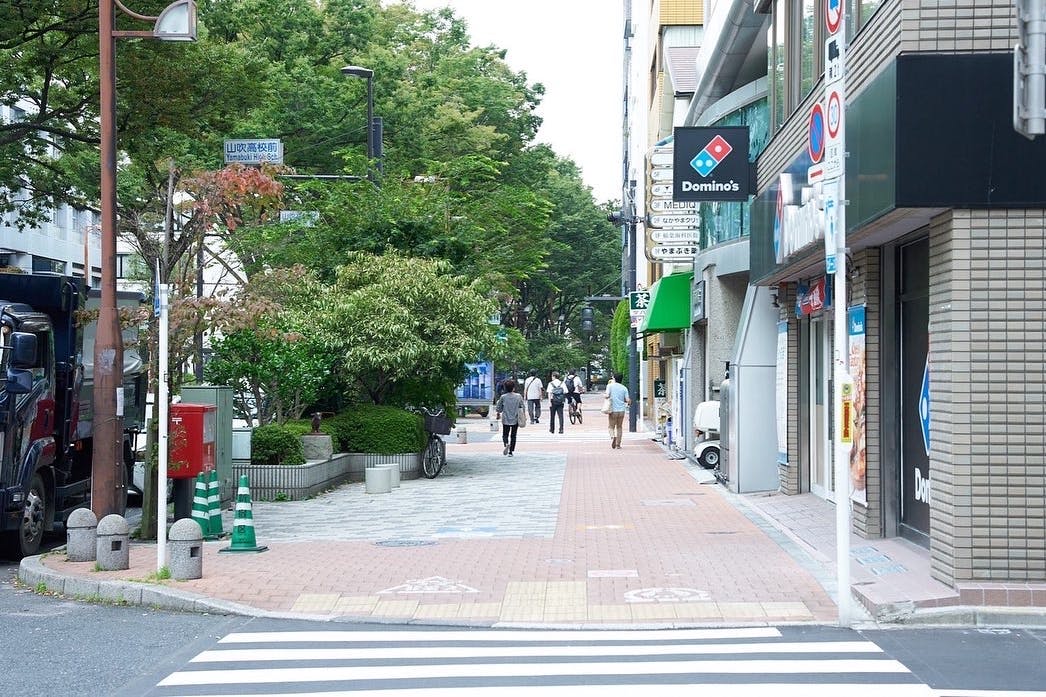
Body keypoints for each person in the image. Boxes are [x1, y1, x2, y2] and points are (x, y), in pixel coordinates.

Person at [494, 379, 525, 456]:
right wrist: (524, 415)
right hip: (516, 418)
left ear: (505, 388)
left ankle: (506, 444)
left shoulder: (503, 397)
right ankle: (511, 451)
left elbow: (498, 408)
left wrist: (498, 413)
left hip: (506, 418)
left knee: (505, 434)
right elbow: (522, 407)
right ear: (513, 388)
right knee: (513, 435)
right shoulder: (518, 396)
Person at [605, 372, 631, 449]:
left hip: (613, 410)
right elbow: (627, 400)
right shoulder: (624, 388)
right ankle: (618, 445)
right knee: (619, 427)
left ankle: (613, 437)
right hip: (622, 410)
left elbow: (607, 395)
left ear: (614, 378)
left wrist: (605, 396)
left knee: (611, 427)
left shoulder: (610, 386)